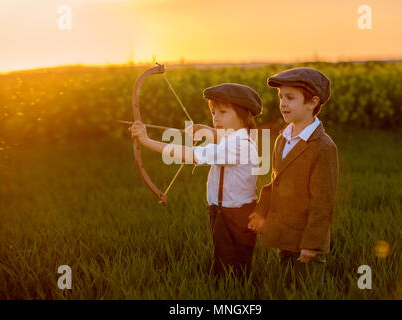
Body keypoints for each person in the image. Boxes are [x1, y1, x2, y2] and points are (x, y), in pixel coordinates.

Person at [130, 83, 262, 280]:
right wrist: (208, 130)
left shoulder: (239, 146)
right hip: (222, 212)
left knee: (231, 266)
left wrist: (147, 142)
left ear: (244, 115)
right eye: (213, 112)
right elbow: (223, 137)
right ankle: (229, 290)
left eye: (223, 112)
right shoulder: (233, 138)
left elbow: (191, 154)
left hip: (235, 215)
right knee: (223, 258)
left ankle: (233, 296)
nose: (216, 117)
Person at [248, 67, 339, 289]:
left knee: (306, 291)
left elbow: (322, 202)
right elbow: (276, 183)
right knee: (285, 289)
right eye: (281, 97)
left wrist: (312, 244)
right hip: (284, 236)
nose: (283, 103)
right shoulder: (282, 138)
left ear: (312, 102)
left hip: (307, 243)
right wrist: (261, 211)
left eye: (290, 98)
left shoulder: (323, 147)